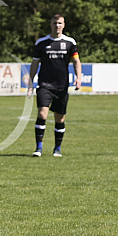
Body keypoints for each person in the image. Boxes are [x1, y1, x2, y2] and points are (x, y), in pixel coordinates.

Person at [26, 14, 82, 157]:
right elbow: (35, 63)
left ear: (64, 25)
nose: (57, 25)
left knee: (60, 118)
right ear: (50, 24)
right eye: (55, 23)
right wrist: (31, 83)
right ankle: (38, 148)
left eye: (60, 23)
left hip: (62, 86)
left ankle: (57, 149)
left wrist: (78, 78)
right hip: (45, 84)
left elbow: (76, 61)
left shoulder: (70, 42)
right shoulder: (41, 43)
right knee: (42, 114)